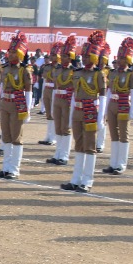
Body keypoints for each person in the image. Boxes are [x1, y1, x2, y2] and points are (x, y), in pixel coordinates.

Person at [62, 31, 109, 193]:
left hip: (90, 111)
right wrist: (70, 117)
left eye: (89, 56)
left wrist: (101, 118)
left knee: (90, 146)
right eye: (84, 55)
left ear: (95, 57)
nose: (85, 58)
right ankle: (76, 179)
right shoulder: (77, 73)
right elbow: (75, 95)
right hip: (78, 111)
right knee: (79, 145)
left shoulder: (98, 74)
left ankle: (87, 180)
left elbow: (102, 97)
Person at [0, 31, 33, 180]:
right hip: (5, 103)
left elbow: (28, 91)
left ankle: (14, 169)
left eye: (13, 52)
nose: (10, 55)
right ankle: (6, 168)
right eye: (9, 52)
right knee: (6, 136)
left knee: (16, 137)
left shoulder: (24, 70)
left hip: (18, 105)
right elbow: (2, 87)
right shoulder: (5, 68)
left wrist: (27, 111)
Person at [102, 37, 133, 175]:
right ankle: (113, 163)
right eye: (119, 57)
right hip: (112, 103)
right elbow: (109, 90)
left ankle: (121, 164)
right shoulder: (112, 73)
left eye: (123, 58)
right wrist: (106, 108)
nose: (119, 60)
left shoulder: (131, 74)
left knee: (123, 134)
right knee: (113, 134)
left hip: (124, 104)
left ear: (128, 59)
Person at [46, 36, 79, 166]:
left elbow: (75, 89)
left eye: (66, 56)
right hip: (58, 99)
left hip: (68, 100)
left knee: (66, 128)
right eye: (63, 55)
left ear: (71, 56)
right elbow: (55, 86)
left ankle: (64, 155)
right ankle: (57, 153)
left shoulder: (74, 71)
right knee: (58, 127)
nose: (63, 58)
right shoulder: (57, 70)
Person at [37, 44, 59, 146]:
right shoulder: (46, 67)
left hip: (55, 90)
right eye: (52, 54)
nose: (52, 56)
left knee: (54, 114)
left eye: (54, 54)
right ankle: (48, 136)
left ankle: (53, 137)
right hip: (47, 88)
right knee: (48, 114)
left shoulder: (59, 68)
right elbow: (44, 77)